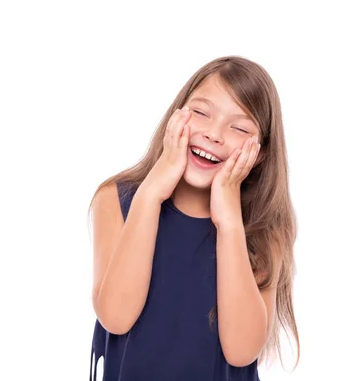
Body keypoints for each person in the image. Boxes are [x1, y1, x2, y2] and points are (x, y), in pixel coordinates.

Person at [87, 55, 299, 380]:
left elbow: (242, 351)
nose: (214, 134)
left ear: (260, 155)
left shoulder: (264, 229)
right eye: (200, 113)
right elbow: (115, 317)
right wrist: (151, 194)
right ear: (176, 116)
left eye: (239, 127)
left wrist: (229, 223)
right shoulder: (116, 200)